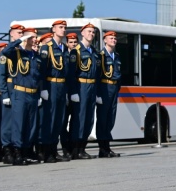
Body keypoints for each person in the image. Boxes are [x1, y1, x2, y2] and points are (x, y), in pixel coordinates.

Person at [0, 27, 44, 165]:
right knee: (18, 123)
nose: (35, 39)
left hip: (32, 93)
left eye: (35, 37)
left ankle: (26, 151)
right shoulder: (17, 53)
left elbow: (39, 77)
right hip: (20, 92)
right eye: (32, 37)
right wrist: (20, 40)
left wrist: (40, 92)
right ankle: (17, 153)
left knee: (31, 124)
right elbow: (4, 52)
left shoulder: (36, 56)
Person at [39, 20, 70, 162]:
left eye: (64, 28)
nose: (63, 30)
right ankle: (47, 153)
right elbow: (42, 71)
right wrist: (43, 89)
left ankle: (54, 150)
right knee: (49, 120)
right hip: (51, 85)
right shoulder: (47, 48)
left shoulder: (64, 48)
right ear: (53, 29)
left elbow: (68, 72)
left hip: (62, 87)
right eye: (60, 27)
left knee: (59, 120)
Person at [69, 23, 100, 160]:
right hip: (81, 86)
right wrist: (73, 91)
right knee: (79, 118)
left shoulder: (94, 51)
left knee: (89, 119)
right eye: (89, 31)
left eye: (93, 32)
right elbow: (71, 73)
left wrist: (97, 92)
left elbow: (98, 74)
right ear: (82, 33)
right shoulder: (76, 51)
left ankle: (83, 147)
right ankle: (76, 149)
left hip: (92, 87)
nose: (91, 34)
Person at [0, 24, 24, 164]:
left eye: (22, 32)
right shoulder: (6, 52)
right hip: (9, 87)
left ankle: (17, 148)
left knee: (17, 121)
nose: (21, 35)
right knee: (7, 121)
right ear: (12, 35)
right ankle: (7, 149)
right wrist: (4, 94)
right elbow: (1, 75)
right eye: (19, 33)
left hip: (19, 88)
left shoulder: (21, 52)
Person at [96, 30, 122, 157]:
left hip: (113, 88)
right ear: (105, 40)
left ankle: (107, 147)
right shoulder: (100, 55)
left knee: (111, 118)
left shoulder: (116, 56)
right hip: (104, 88)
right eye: (111, 38)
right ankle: (102, 148)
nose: (113, 40)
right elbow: (96, 75)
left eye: (115, 38)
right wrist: (98, 94)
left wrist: (118, 88)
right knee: (102, 119)